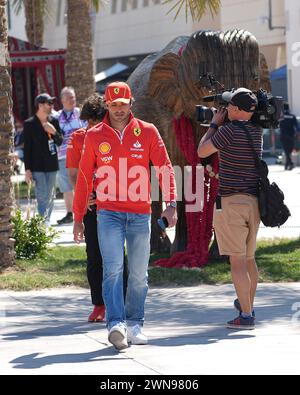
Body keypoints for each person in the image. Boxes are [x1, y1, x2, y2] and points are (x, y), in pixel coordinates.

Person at [73, 81, 177, 350]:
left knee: (140, 274)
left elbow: (164, 167)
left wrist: (171, 203)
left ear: (131, 104)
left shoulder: (148, 132)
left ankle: (135, 325)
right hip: (108, 214)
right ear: (107, 105)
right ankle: (115, 324)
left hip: (141, 214)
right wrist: (78, 217)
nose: (119, 109)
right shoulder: (94, 136)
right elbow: (84, 178)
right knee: (113, 269)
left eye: (123, 104)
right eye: (114, 104)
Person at [198, 88, 261, 330]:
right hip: (253, 202)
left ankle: (246, 316)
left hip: (231, 202)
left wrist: (214, 124)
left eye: (228, 107)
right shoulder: (257, 131)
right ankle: (248, 305)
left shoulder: (227, 131)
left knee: (236, 262)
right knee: (249, 259)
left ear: (235, 109)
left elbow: (202, 151)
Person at [24, 93, 63, 223]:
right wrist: (27, 169)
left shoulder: (54, 121)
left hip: (52, 165)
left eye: (52, 103)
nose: (51, 106)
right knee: (41, 195)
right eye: (49, 103)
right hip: (36, 166)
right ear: (40, 105)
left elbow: (60, 141)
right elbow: (27, 149)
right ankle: (43, 222)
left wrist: (54, 132)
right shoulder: (29, 124)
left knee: (51, 195)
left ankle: (46, 220)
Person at [55, 87, 86, 224]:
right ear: (62, 100)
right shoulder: (56, 117)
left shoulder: (81, 114)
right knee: (66, 186)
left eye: (73, 97)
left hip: (80, 155)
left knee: (81, 184)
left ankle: (84, 212)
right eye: (68, 97)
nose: (71, 100)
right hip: (62, 156)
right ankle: (69, 213)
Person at [279, 102, 300, 170]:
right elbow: (297, 126)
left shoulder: (281, 116)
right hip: (291, 136)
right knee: (290, 150)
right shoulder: (292, 116)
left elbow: (276, 124)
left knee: (286, 150)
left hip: (283, 136)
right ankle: (289, 164)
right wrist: (298, 132)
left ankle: (288, 164)